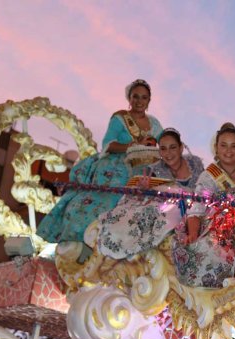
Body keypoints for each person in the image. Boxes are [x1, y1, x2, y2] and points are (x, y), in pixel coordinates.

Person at [37, 79, 163, 255]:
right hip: (117, 164)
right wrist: (132, 146)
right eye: (136, 96)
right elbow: (108, 144)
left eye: (144, 97)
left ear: (149, 101)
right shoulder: (120, 118)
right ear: (129, 98)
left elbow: (164, 143)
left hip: (145, 167)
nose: (139, 101)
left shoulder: (155, 124)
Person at [172, 123, 235, 287]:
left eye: (233, 146)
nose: (228, 151)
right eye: (223, 145)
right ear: (216, 148)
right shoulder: (209, 176)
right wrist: (193, 233)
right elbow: (197, 207)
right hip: (223, 223)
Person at [95, 128, 204, 259]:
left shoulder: (195, 162)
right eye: (163, 149)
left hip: (193, 207)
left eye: (173, 147)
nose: (168, 153)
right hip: (170, 206)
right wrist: (145, 189)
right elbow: (148, 196)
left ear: (181, 148)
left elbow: (203, 189)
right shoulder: (155, 169)